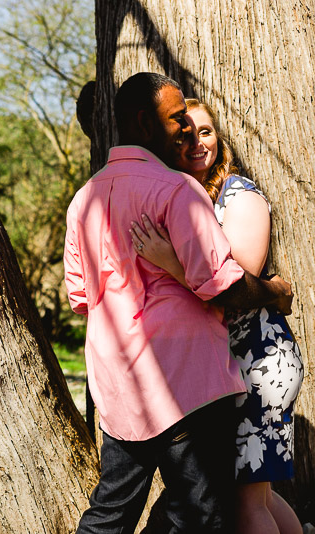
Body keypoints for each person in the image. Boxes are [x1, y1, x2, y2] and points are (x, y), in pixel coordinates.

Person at [64, 71, 294, 533]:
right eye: (178, 121)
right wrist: (273, 291)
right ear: (145, 124)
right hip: (187, 383)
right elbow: (224, 285)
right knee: (200, 514)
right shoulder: (177, 190)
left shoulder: (83, 200)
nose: (188, 130)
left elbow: (79, 297)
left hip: (118, 387)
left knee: (110, 513)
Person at [129, 98, 304, 534]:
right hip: (223, 366)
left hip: (257, 362)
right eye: (185, 133)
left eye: (205, 131)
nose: (196, 142)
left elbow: (235, 290)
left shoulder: (238, 196)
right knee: (253, 492)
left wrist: (169, 261)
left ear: (218, 138)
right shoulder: (181, 198)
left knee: (246, 505)